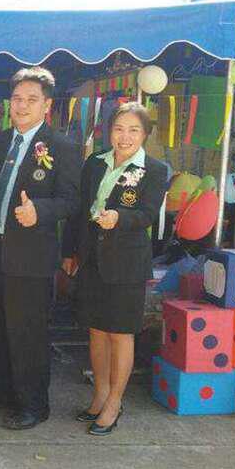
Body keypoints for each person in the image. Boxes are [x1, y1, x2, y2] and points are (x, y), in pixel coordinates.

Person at [0, 67, 81, 430]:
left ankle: (34, 404)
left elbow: (72, 201)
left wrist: (40, 210)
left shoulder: (63, 147)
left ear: (47, 105)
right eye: (17, 98)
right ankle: (3, 391)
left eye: (31, 100)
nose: (22, 106)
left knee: (27, 333)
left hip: (30, 255)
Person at [62, 102, 168, 435]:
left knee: (120, 333)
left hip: (127, 263)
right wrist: (70, 251)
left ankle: (114, 402)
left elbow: (147, 214)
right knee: (96, 330)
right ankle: (99, 394)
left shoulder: (155, 170)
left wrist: (119, 218)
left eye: (133, 130)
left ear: (145, 134)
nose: (125, 137)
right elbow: (80, 209)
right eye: (119, 129)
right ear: (109, 132)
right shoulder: (95, 162)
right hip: (92, 258)